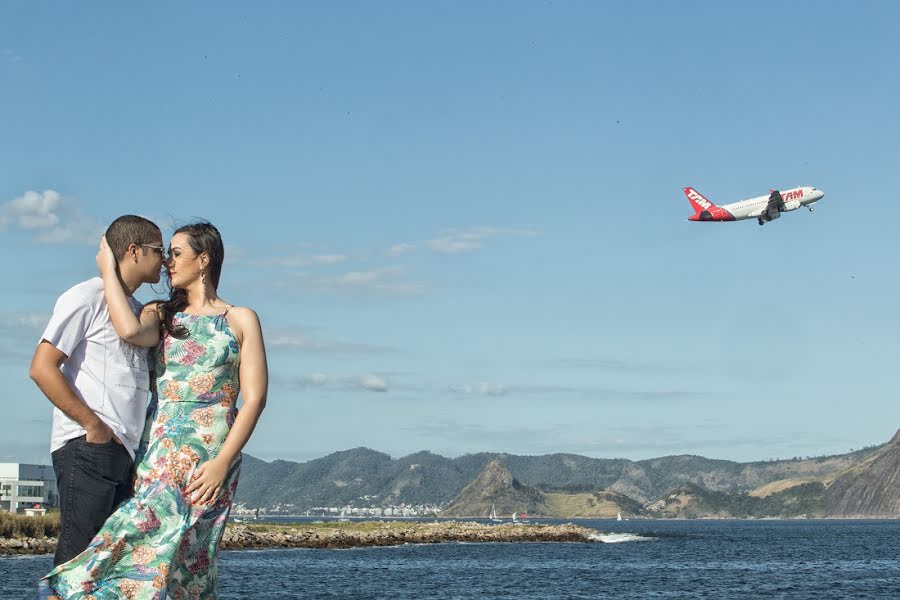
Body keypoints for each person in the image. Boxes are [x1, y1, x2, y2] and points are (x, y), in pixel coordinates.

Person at [40, 221, 268, 599]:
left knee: (193, 555)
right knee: (138, 532)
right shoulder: (162, 313)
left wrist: (222, 462)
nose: (167, 263)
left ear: (204, 259)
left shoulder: (241, 319)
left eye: (176, 254)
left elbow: (255, 399)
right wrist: (108, 270)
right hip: (160, 449)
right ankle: (63, 589)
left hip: (212, 457)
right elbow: (129, 330)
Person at [29, 215, 165, 567]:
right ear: (134, 251)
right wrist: (94, 427)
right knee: (77, 562)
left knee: (107, 568)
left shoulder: (134, 312)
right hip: (89, 447)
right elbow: (42, 367)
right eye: (159, 250)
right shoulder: (86, 296)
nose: (164, 260)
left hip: (123, 453)